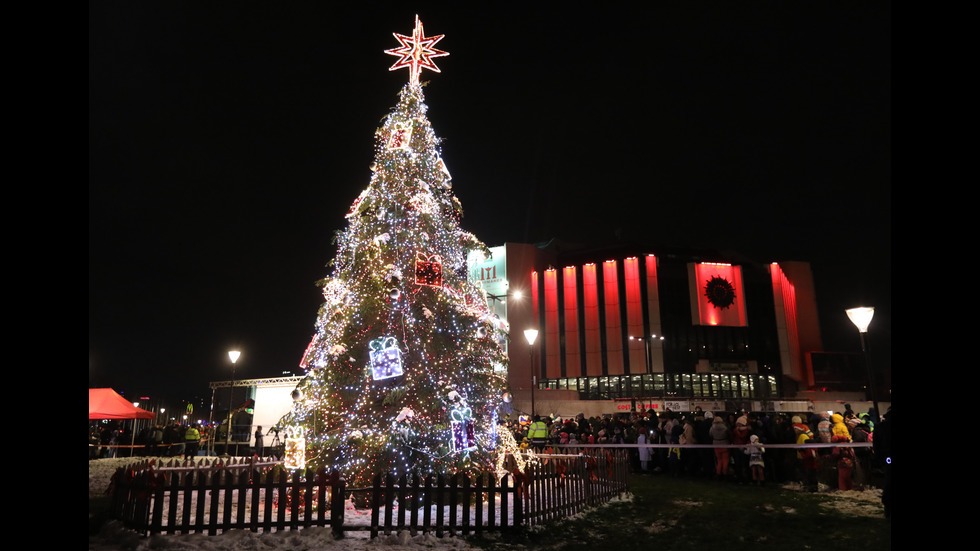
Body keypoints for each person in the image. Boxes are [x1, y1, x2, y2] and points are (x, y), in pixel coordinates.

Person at [709, 413, 731, 480]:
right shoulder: (725, 427)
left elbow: (710, 435)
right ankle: (725, 473)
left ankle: (718, 473)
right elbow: (728, 435)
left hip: (716, 444)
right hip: (724, 444)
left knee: (719, 460)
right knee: (725, 460)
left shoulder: (712, 428)